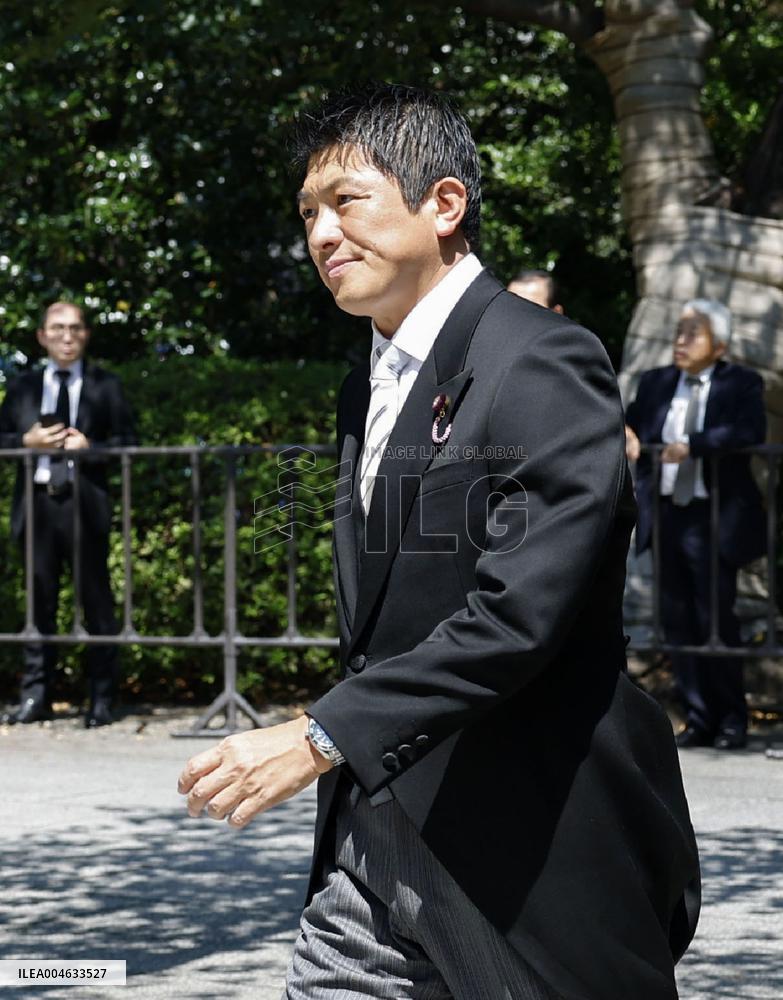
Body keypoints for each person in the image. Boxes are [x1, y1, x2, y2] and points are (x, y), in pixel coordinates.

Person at [179, 83, 700, 1000]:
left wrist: (321, 735)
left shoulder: (541, 356)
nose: (321, 234)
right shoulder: (365, 381)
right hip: (371, 832)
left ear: (444, 204)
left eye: (346, 200)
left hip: (521, 846)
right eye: (306, 212)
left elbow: (518, 613)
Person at [625, 300, 766, 750]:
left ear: (719, 345)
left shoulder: (742, 382)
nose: (680, 340)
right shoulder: (656, 382)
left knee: (716, 619)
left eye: (693, 332)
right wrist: (626, 432)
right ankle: (698, 716)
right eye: (679, 331)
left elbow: (749, 431)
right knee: (677, 618)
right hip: (666, 511)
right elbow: (629, 420)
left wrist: (693, 446)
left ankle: (731, 719)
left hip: (712, 514)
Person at [0, 301, 136, 727]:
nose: (66, 336)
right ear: (42, 335)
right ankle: (36, 696)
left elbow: (128, 441)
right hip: (37, 501)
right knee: (37, 603)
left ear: (85, 335)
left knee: (96, 601)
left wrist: (89, 448)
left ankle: (101, 698)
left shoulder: (105, 385)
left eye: (75, 328)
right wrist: (28, 441)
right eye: (57, 328)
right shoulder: (22, 386)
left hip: (84, 501)